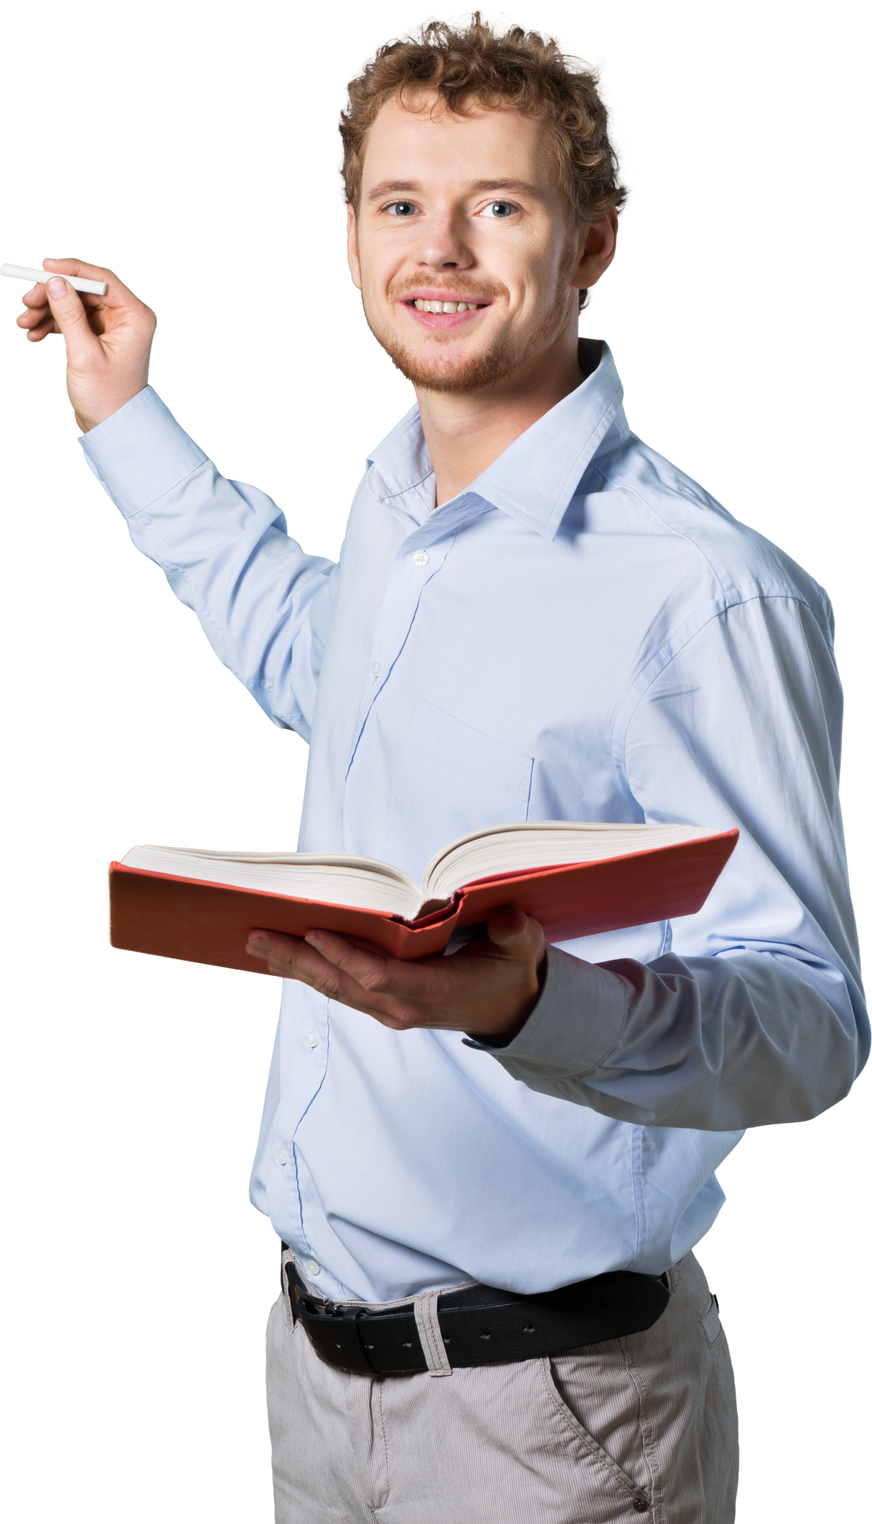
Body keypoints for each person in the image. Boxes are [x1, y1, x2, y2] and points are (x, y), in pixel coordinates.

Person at [11, 10, 867, 1521]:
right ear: (348, 242)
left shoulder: (708, 592)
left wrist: (538, 1005)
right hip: (314, 1372)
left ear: (594, 243)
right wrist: (124, 414)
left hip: (554, 1418)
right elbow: (308, 657)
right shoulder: (400, 490)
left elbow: (812, 1031)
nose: (443, 250)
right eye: (402, 205)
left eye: (502, 206)